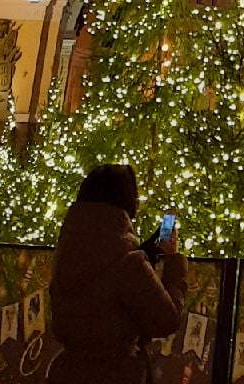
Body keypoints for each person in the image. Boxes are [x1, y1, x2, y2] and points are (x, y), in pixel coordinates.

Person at [48, 163, 187, 384]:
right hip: (115, 374)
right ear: (127, 201)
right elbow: (167, 319)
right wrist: (173, 259)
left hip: (66, 372)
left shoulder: (67, 252)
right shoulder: (128, 263)